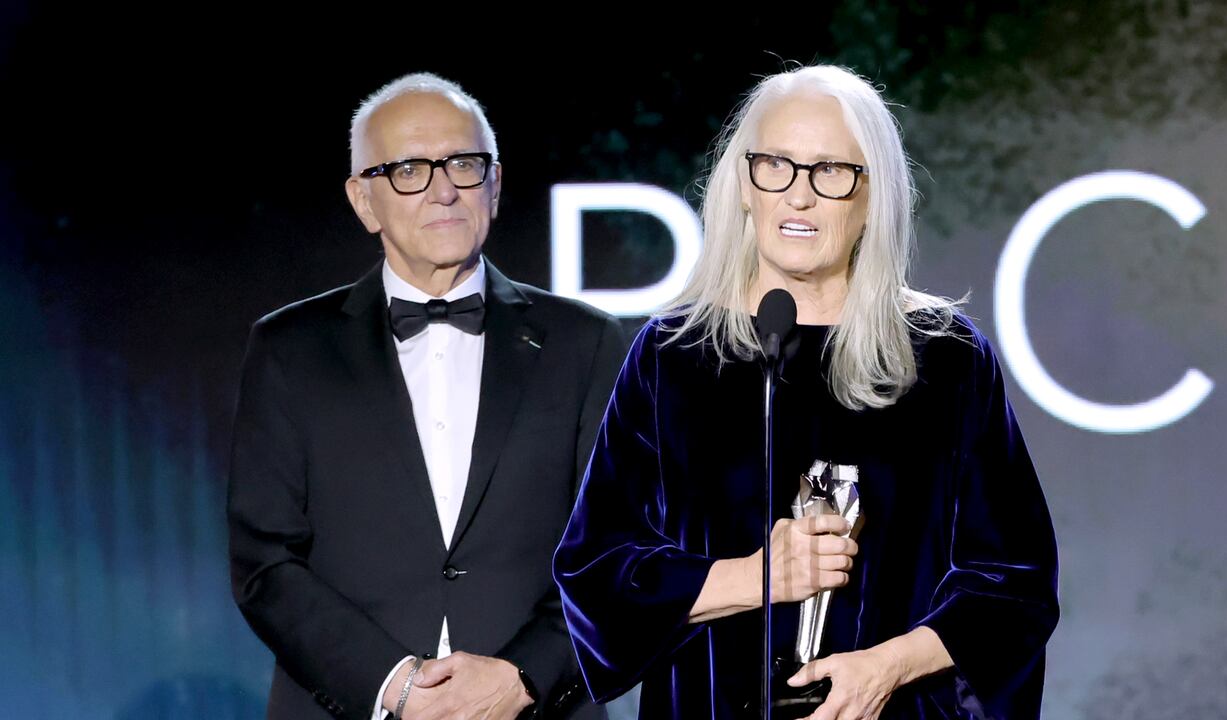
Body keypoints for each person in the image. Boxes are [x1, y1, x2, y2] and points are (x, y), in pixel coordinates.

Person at [553, 65, 1059, 719]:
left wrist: (884, 669)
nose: (799, 195)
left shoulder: (945, 356)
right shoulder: (672, 354)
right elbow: (597, 569)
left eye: (831, 172)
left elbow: (1013, 584)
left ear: (873, 196)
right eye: (777, 166)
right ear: (743, 183)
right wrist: (754, 577)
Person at [228, 72, 627, 720]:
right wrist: (393, 685)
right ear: (363, 200)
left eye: (465, 165)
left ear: (495, 184)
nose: (444, 189)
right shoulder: (289, 351)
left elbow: (614, 548)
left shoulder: (584, 344)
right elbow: (265, 565)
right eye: (410, 168)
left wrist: (521, 677)